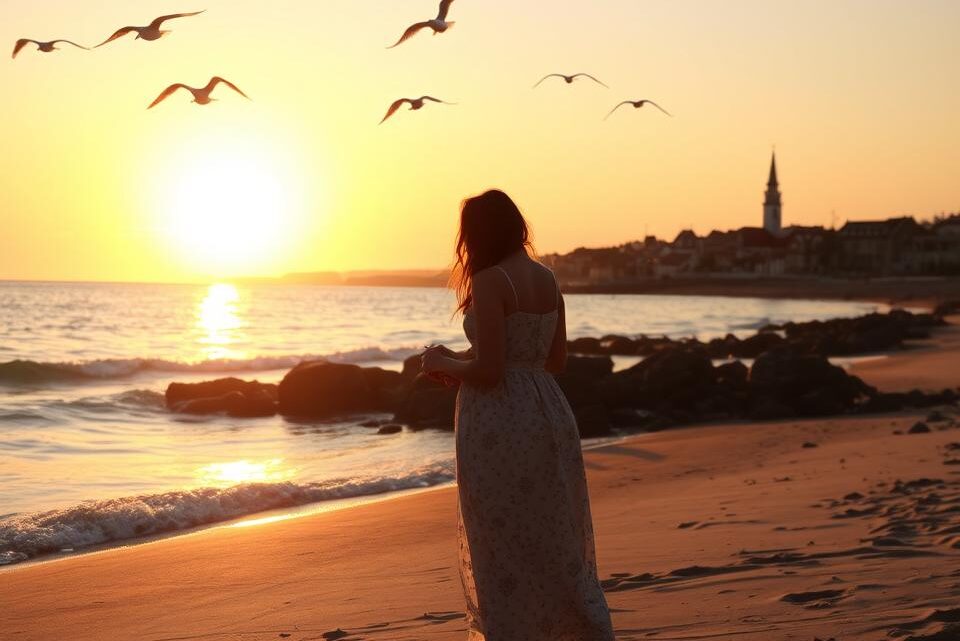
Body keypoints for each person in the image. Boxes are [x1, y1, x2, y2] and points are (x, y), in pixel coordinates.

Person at [421, 189, 616, 641]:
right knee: (552, 533)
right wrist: (464, 357)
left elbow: (489, 372)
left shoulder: (491, 280)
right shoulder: (548, 279)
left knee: (500, 539)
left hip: (498, 421)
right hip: (547, 410)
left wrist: (441, 363)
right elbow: (554, 360)